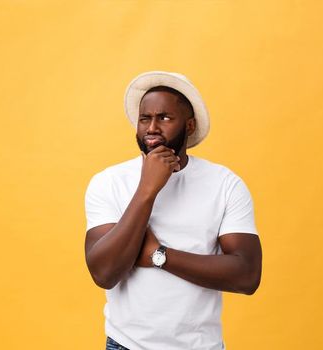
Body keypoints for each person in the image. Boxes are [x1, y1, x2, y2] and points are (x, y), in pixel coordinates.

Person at [84, 71, 262, 350]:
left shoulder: (225, 184)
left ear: (189, 126)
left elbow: (247, 274)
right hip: (127, 345)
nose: (152, 127)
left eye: (165, 117)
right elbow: (104, 273)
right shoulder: (109, 182)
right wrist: (147, 189)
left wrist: (159, 256)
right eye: (145, 118)